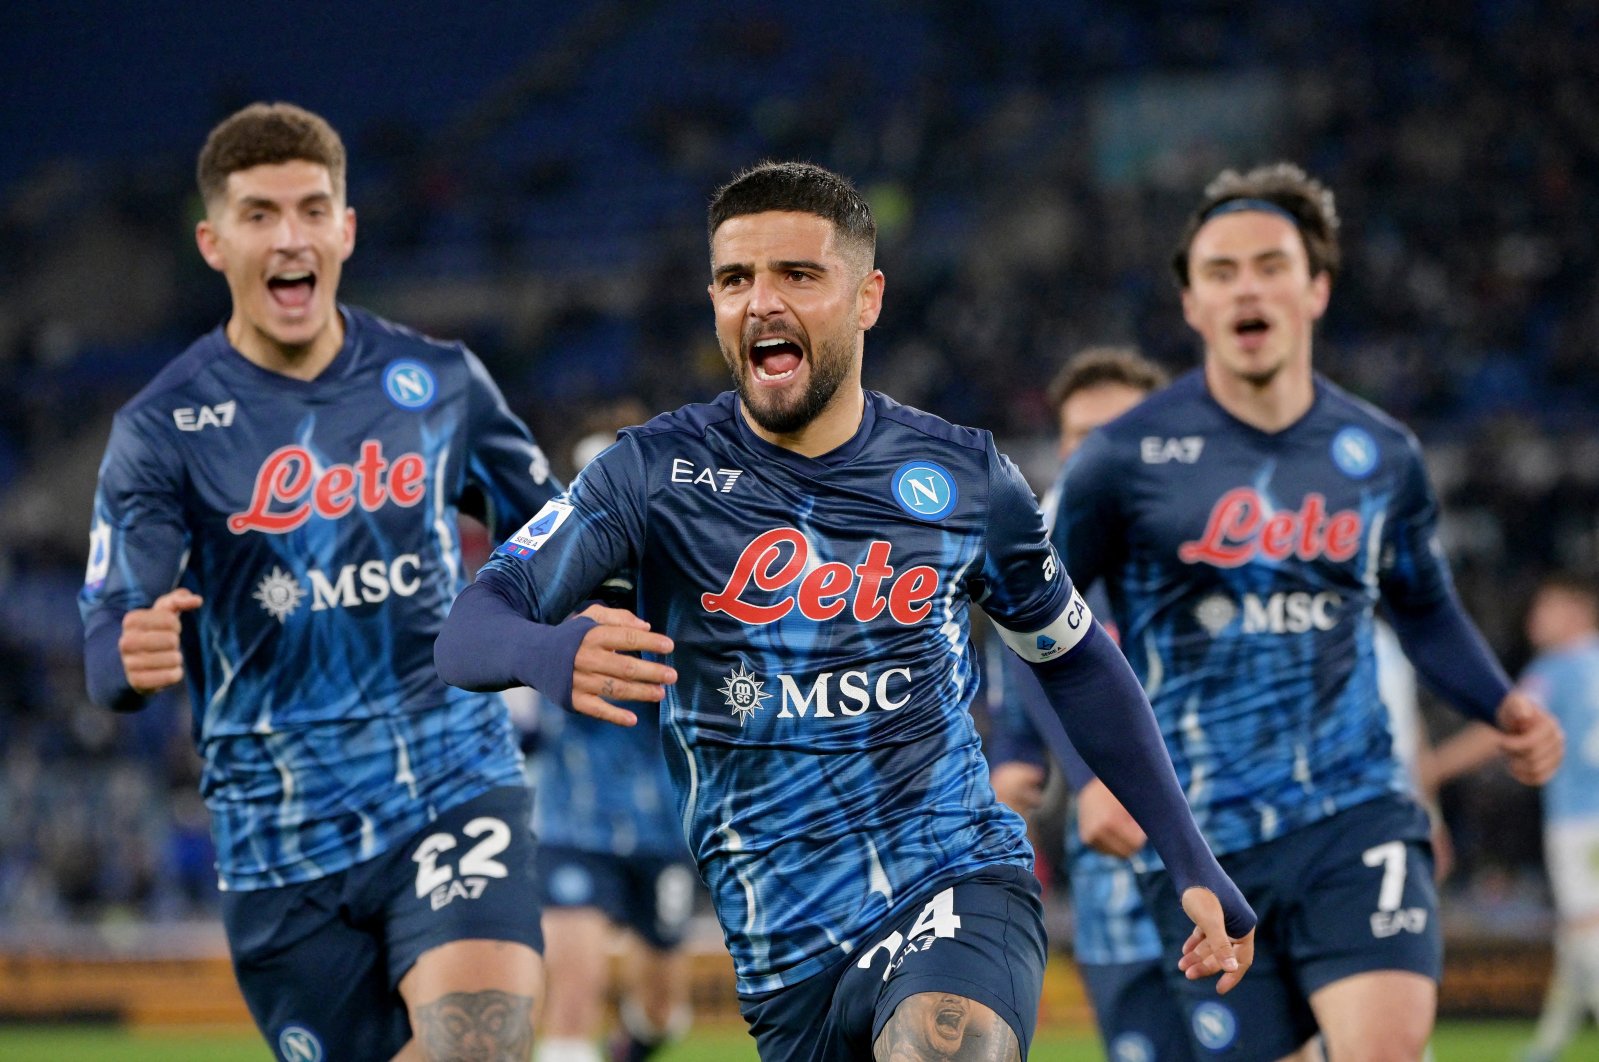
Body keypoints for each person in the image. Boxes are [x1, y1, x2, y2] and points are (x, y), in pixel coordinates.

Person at [436, 160, 1257, 1061]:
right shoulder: (648, 475)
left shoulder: (967, 480)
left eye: (797, 274)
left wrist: (1187, 855)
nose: (761, 302)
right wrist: (548, 653)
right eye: (735, 279)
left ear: (867, 297)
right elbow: (471, 626)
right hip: (786, 953)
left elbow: (1074, 659)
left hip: (955, 876)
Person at [1051, 162, 1565, 1061]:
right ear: (1190, 305)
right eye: (1220, 271)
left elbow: (1424, 607)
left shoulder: (1381, 456)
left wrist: (1499, 703)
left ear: (1315, 288)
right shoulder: (1121, 460)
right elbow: (1039, 627)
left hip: (1353, 810)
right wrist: (1090, 774)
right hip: (1200, 839)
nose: (1246, 285)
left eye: (1269, 264)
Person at [79, 102, 557, 1062]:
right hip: (278, 838)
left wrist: (586, 611)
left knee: (482, 1043)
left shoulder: (441, 383)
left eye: (310, 209)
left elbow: (551, 534)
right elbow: (107, 643)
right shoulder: (161, 427)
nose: (289, 236)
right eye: (260, 214)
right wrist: (126, 657)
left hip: (448, 785)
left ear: (345, 228)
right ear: (214, 242)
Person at [984, 347, 1196, 1062]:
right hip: (1112, 872)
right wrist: (1016, 759)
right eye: (1078, 434)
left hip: (1228, 850)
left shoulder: (1212, 544)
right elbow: (1020, 674)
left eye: (1117, 430)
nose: (1093, 451)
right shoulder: (1036, 553)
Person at [531, 414, 698, 1062]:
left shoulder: (687, 585)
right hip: (574, 821)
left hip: (661, 822)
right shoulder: (546, 579)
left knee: (662, 1007)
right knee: (573, 990)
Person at [1515, 574, 1599, 1062]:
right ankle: (1549, 1043)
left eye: (1545, 608)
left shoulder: (1557, 666)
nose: (1534, 621)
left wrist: (1435, 768)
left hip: (1577, 821)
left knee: (1587, 930)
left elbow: (1514, 719)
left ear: (1576, 611)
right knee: (1576, 934)